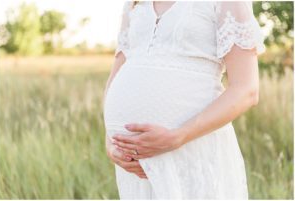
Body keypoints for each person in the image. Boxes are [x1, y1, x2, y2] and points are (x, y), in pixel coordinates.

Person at [103, 1, 266, 199]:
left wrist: (177, 137)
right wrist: (110, 143)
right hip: (136, 165)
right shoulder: (134, 3)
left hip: (192, 149)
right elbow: (116, 75)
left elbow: (246, 90)